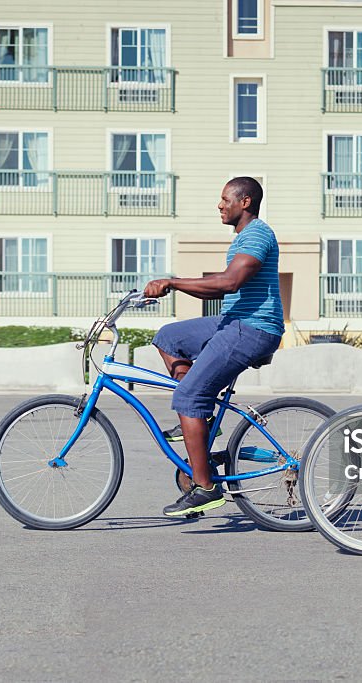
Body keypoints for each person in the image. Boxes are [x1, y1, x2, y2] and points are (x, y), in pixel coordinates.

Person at [143, 177, 284, 518]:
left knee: (187, 397)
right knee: (169, 337)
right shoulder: (242, 238)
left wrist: (173, 281)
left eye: (225, 199)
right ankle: (202, 417)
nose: (219, 205)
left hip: (253, 328)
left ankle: (206, 489)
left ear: (245, 202)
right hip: (232, 321)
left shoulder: (257, 234)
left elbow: (228, 283)